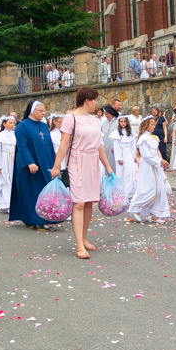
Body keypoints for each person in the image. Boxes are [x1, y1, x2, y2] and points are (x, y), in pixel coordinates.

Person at [51, 88, 114, 259]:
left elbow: (99, 145)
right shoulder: (70, 118)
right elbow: (64, 144)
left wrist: (107, 166)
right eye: (94, 100)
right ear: (86, 100)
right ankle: (79, 244)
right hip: (77, 161)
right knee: (78, 203)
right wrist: (56, 166)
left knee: (88, 203)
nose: (96, 103)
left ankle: (84, 238)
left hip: (93, 162)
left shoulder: (94, 119)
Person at [9, 101, 59, 230]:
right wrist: (30, 162)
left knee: (44, 193)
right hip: (30, 166)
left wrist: (55, 165)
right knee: (32, 193)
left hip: (45, 164)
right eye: (41, 111)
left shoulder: (43, 126)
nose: (44, 113)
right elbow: (22, 146)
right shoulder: (22, 126)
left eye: (44, 111)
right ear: (32, 111)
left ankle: (41, 218)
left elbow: (49, 146)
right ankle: (36, 221)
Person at [129, 116, 171, 223]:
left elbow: (156, 152)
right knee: (148, 189)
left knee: (159, 189)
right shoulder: (143, 138)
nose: (153, 126)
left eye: (154, 124)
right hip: (147, 166)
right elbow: (146, 155)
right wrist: (159, 161)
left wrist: (161, 161)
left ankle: (154, 214)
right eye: (151, 124)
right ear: (145, 125)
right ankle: (136, 209)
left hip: (155, 166)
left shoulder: (153, 137)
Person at [109, 115, 137, 199]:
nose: (123, 123)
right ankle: (122, 191)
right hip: (121, 154)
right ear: (119, 122)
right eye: (121, 122)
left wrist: (135, 156)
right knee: (122, 173)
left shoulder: (130, 133)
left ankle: (130, 191)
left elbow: (133, 145)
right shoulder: (116, 133)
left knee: (130, 172)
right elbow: (116, 147)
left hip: (129, 155)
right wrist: (119, 158)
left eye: (125, 122)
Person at [0, 116, 17, 212]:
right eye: (10, 123)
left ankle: (14, 203)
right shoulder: (0, 137)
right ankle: (7, 204)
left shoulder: (16, 134)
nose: (12, 125)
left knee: (14, 180)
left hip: (13, 159)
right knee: (5, 181)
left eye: (13, 123)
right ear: (4, 124)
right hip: (4, 160)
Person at [100, 104, 119, 174]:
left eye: (107, 114)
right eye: (105, 114)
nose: (105, 116)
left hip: (114, 147)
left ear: (111, 113)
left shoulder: (118, 122)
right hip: (105, 147)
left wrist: (116, 146)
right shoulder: (104, 123)